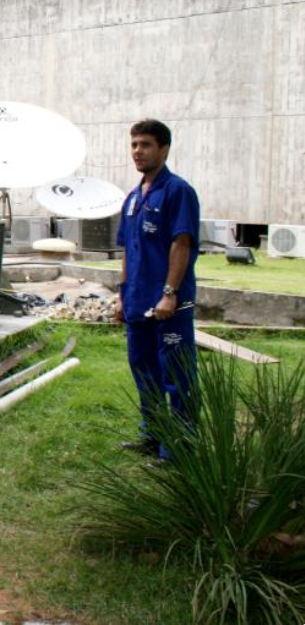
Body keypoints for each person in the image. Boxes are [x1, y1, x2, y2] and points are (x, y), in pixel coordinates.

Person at [114, 119, 200, 463]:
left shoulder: (178, 191)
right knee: (144, 371)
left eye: (145, 144)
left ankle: (179, 448)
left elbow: (181, 244)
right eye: (134, 144)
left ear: (164, 149)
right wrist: (121, 295)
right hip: (137, 301)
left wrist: (169, 292)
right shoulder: (133, 197)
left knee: (176, 376)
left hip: (168, 303)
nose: (138, 151)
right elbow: (127, 250)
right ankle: (153, 434)